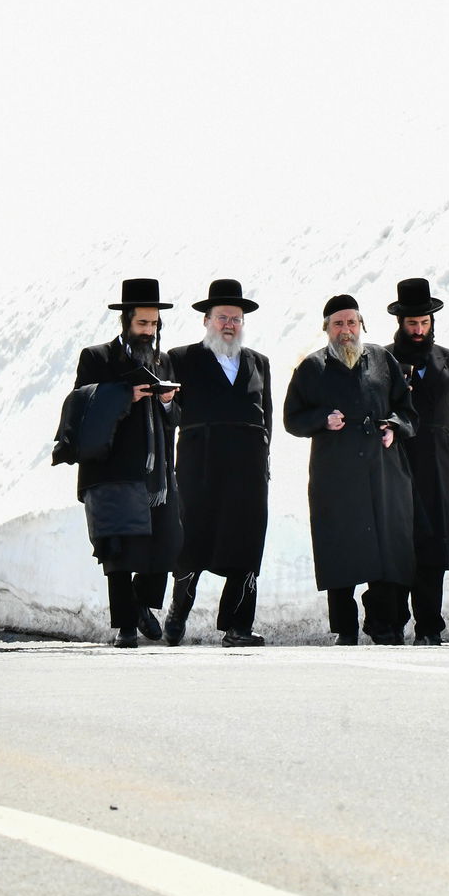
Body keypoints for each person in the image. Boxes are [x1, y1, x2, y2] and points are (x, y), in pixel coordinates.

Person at [282, 296, 416, 644]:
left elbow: (407, 410)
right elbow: (291, 419)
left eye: (351, 322)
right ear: (326, 327)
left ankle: (384, 625)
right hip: (336, 475)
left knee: (386, 547)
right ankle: (345, 628)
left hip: (382, 470)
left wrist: (394, 427)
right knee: (340, 547)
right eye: (338, 323)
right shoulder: (311, 368)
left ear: (361, 325)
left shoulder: (383, 360)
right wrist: (322, 419)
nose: (346, 330)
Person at [57, 276, 182, 647]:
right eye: (142, 322)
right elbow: (83, 403)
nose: (149, 330)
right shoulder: (97, 358)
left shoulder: (164, 361)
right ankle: (127, 628)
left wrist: (166, 403)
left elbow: (176, 417)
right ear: (126, 320)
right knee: (120, 553)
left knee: (167, 546)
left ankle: (140, 604)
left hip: (157, 476)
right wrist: (126, 394)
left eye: (154, 323)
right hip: (111, 471)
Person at [165, 279, 272, 647]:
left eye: (236, 319)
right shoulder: (181, 359)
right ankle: (179, 609)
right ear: (206, 320)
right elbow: (169, 414)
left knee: (246, 544)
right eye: (223, 317)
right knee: (193, 541)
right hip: (200, 466)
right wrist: (166, 404)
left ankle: (237, 627)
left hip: (248, 470)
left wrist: (264, 460)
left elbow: (266, 417)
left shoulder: (259, 362)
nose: (230, 325)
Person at [387, 277, 449, 645]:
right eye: (412, 324)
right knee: (398, 546)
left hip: (440, 466)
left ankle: (429, 627)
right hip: (398, 464)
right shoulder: (384, 359)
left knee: (434, 548)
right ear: (401, 323)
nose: (419, 330)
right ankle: (391, 624)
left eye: (424, 323)